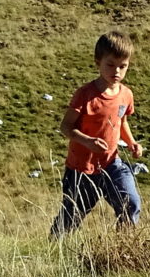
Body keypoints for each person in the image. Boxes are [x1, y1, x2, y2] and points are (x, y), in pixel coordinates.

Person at [51, 31, 141, 236]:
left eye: (122, 66)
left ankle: (123, 248)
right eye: (110, 65)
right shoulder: (85, 95)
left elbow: (122, 122)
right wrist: (88, 141)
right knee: (72, 215)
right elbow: (66, 126)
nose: (116, 71)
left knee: (130, 203)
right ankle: (54, 251)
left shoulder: (126, 95)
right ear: (97, 62)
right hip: (81, 169)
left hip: (112, 163)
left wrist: (132, 142)